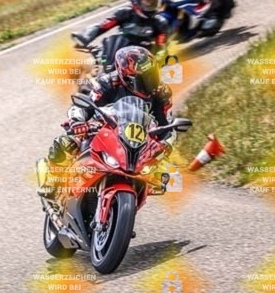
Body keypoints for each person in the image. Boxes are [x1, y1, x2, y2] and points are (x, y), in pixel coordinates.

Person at [40, 46, 175, 197]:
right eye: (143, 79)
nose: (150, 83)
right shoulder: (108, 82)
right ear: (126, 77)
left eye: (152, 75)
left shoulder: (162, 92)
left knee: (165, 171)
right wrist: (78, 121)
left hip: (138, 139)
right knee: (67, 142)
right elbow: (84, 106)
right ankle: (52, 180)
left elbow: (167, 124)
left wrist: (166, 144)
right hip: (102, 130)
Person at [71, 0, 170, 66]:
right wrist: (84, 37)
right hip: (117, 52)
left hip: (142, 61)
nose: (150, 5)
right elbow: (103, 26)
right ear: (135, 1)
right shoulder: (124, 13)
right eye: (147, 2)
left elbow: (162, 46)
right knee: (93, 60)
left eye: (153, 2)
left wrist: (157, 60)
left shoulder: (159, 22)